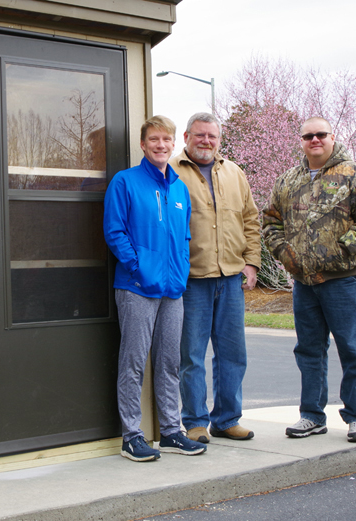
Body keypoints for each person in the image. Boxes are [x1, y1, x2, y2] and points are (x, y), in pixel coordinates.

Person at [262, 117, 356, 443]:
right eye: (308, 136)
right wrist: (286, 255)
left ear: (332, 137)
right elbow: (270, 221)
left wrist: (341, 250)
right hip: (304, 284)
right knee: (309, 351)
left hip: (342, 281)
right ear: (301, 141)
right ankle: (312, 416)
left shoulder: (354, 174)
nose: (314, 140)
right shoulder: (288, 180)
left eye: (320, 135)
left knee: (352, 350)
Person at [103, 115, 206, 462]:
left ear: (174, 143)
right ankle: (132, 436)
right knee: (133, 362)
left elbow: (184, 235)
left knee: (169, 363)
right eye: (154, 140)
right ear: (143, 145)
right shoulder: (125, 182)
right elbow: (115, 232)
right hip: (136, 287)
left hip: (173, 289)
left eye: (167, 140)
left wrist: (181, 270)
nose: (161, 145)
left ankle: (172, 431)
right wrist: (138, 266)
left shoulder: (179, 188)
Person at [169, 113, 261, 444]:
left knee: (233, 354)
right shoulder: (171, 171)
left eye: (213, 136)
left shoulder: (235, 173)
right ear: (186, 136)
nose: (206, 141)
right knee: (191, 355)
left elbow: (250, 219)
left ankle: (227, 419)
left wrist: (252, 262)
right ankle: (195, 421)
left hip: (231, 279)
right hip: (192, 279)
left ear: (219, 140)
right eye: (200, 135)